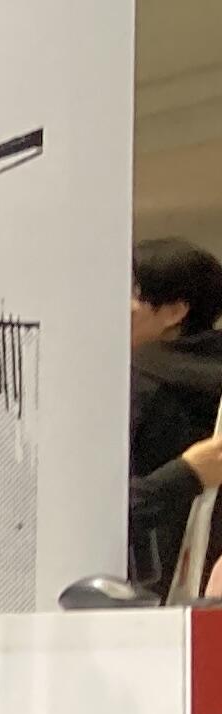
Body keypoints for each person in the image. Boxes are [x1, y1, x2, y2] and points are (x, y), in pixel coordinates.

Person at [127, 237, 222, 595]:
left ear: (174, 312)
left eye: (133, 293)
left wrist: (185, 475)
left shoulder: (133, 380)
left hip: (137, 591)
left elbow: (103, 510)